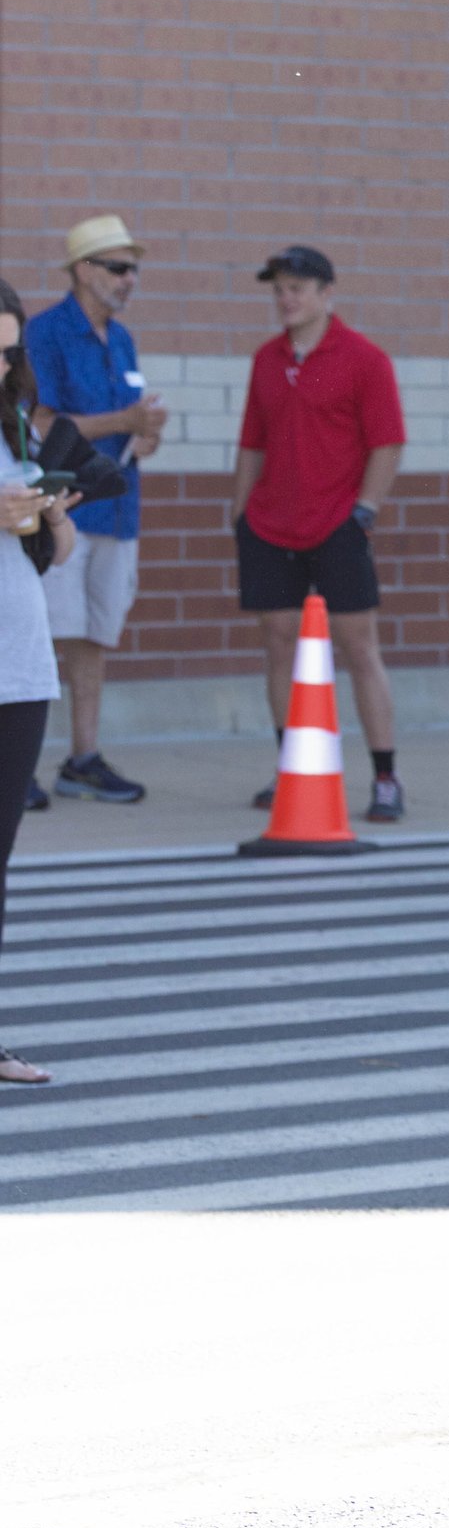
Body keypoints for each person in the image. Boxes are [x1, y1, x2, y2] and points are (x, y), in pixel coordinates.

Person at [234, 246, 409, 822]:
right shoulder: (265, 359)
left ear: (327, 293)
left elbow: (387, 442)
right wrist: (239, 515)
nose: (286, 299)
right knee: (279, 644)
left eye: (297, 289)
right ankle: (291, 768)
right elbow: (253, 443)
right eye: (279, 289)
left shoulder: (364, 359)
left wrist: (364, 511)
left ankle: (385, 777)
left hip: (337, 523)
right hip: (269, 525)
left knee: (359, 648)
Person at [25, 213, 167, 806]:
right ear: (83, 271)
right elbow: (40, 424)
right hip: (64, 512)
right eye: (118, 267)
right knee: (39, 640)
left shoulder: (124, 338)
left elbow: (128, 423)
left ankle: (82, 758)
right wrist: (124, 422)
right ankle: (20, 767)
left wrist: (147, 435)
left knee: (93, 641)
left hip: (116, 511)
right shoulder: (46, 333)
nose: (129, 279)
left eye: (133, 268)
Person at [0, 281, 82, 1084]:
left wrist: (55, 515)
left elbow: (47, 558)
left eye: (8, 352)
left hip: (19, 664)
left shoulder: (11, 421)